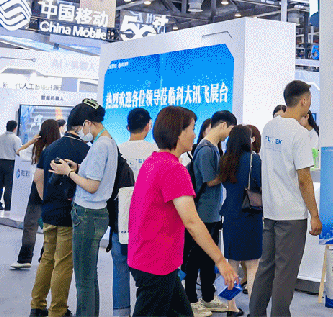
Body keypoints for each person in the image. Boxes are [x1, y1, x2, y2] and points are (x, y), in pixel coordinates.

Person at [127, 106, 237, 317]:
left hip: (149, 257)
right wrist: (221, 261)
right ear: (178, 132)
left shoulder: (152, 161)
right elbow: (192, 222)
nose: (195, 134)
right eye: (192, 128)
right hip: (156, 263)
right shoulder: (174, 169)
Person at [249, 80, 322, 317]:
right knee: (286, 273)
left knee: (266, 268)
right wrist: (314, 214)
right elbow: (304, 179)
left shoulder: (269, 127)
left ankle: (256, 313)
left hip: (270, 211)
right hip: (291, 215)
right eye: (309, 99)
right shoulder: (300, 134)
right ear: (304, 101)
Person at [49, 99, 119, 317]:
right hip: (96, 214)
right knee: (89, 276)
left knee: (84, 279)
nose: (80, 132)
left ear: (88, 122)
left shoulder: (100, 146)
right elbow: (96, 175)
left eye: (80, 128)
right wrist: (77, 167)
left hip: (87, 214)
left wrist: (68, 173)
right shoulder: (108, 141)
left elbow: (92, 185)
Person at [29, 102, 91, 317]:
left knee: (47, 258)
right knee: (63, 263)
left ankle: (37, 306)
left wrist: (47, 200)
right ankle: (58, 310)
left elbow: (38, 178)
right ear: (84, 125)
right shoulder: (86, 150)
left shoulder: (51, 147)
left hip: (49, 211)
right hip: (69, 213)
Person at [184, 110, 237, 315]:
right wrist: (229, 172)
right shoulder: (206, 150)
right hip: (202, 213)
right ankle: (191, 299)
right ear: (223, 125)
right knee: (194, 259)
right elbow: (209, 180)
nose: (230, 134)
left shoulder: (213, 148)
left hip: (212, 213)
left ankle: (207, 297)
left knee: (208, 259)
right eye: (231, 129)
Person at [113, 108, 157, 317]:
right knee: (149, 271)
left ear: (127, 127)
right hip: (149, 219)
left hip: (121, 218)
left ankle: (121, 314)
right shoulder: (155, 151)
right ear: (148, 125)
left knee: (120, 270)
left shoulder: (118, 150)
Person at [219, 125, 263, 313]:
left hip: (230, 215)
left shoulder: (225, 160)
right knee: (252, 266)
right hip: (251, 215)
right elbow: (261, 184)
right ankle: (254, 310)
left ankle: (231, 306)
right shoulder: (254, 160)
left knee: (232, 264)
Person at [12, 119, 61, 270]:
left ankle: (25, 258)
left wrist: (31, 141)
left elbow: (18, 152)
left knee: (30, 224)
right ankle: (45, 257)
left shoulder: (37, 147)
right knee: (50, 225)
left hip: (37, 187)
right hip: (54, 187)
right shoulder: (59, 148)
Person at [0, 120, 22, 211]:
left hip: (1, 163)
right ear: (15, 128)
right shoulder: (16, 139)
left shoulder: (0, 137)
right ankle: (8, 206)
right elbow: (18, 152)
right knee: (9, 185)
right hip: (10, 163)